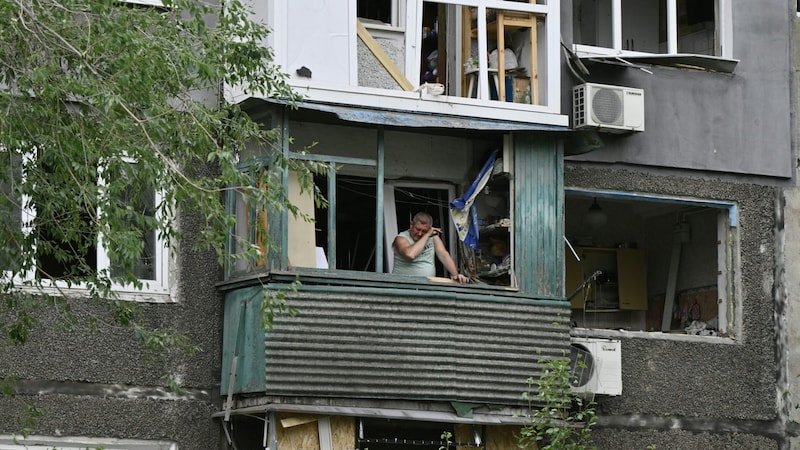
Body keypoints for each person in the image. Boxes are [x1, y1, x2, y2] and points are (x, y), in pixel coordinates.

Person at [392, 212, 470, 284]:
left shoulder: (433, 237)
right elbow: (410, 255)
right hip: (404, 285)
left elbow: (443, 254)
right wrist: (427, 235)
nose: (419, 234)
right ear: (411, 225)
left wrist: (456, 275)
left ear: (429, 229)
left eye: (424, 231)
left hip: (427, 284)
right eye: (417, 229)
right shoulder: (401, 238)